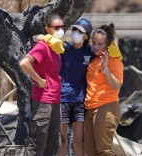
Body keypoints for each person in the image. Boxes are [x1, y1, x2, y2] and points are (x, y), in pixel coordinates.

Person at [33, 18, 94, 156]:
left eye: (80, 31)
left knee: (78, 142)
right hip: (63, 100)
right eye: (74, 30)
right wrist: (48, 38)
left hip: (80, 102)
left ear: (86, 36)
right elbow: (35, 37)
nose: (76, 33)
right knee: (62, 141)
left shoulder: (90, 52)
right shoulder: (63, 47)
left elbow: (103, 48)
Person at [19, 13, 65, 156]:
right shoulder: (43, 46)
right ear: (47, 29)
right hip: (43, 101)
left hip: (55, 101)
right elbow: (24, 63)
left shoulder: (56, 48)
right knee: (37, 144)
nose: (61, 30)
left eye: (63, 26)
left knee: (53, 144)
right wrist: (39, 80)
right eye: (57, 27)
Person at [84, 23, 124, 156]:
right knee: (90, 151)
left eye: (100, 44)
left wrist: (106, 68)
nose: (95, 46)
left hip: (107, 106)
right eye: (94, 43)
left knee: (104, 150)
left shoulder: (114, 61)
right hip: (90, 107)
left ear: (107, 45)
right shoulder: (92, 60)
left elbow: (116, 85)